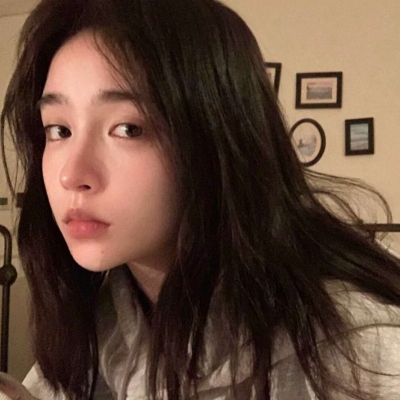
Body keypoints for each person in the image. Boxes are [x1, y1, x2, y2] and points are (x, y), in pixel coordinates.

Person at [0, 0, 400, 399]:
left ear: (218, 137)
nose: (71, 175)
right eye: (59, 130)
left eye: (128, 129)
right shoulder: (106, 315)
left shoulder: (358, 347)